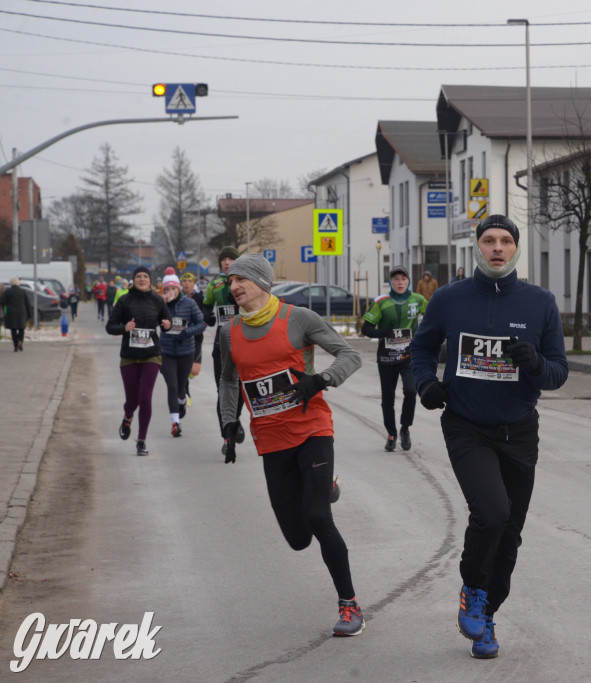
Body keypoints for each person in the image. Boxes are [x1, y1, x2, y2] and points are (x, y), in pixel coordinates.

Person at [410, 214, 568, 659]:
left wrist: (535, 363)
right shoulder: (448, 298)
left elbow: (559, 371)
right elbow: (421, 348)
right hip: (466, 426)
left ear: (515, 248)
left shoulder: (539, 302)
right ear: (477, 248)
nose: (497, 248)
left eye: (505, 241)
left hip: (519, 430)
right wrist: (426, 384)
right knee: (492, 513)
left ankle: (489, 614)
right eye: (489, 240)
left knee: (511, 531)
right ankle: (472, 588)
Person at [217, 254, 365, 636]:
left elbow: (350, 354)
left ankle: (349, 606)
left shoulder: (298, 318)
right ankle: (327, 486)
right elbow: (229, 381)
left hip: (312, 428)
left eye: (242, 280)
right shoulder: (228, 331)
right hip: (271, 439)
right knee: (298, 539)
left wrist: (321, 380)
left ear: (262, 284)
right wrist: (229, 422)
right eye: (231, 281)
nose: (234, 287)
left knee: (318, 517)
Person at [361, 265, 428, 452]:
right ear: (390, 282)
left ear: (408, 281)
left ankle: (405, 428)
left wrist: (423, 334)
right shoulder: (382, 302)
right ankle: (391, 434)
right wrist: (384, 332)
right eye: (396, 279)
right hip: (387, 357)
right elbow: (365, 329)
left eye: (403, 279)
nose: (400, 283)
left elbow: (433, 319)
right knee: (388, 398)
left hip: (409, 354)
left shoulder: (418, 299)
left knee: (410, 390)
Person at [106, 266, 172, 456]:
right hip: (129, 356)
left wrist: (166, 325)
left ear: (150, 281)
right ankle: (127, 418)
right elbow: (110, 326)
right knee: (132, 400)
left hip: (152, 354)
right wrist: (125, 328)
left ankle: (141, 440)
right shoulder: (125, 300)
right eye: (138, 276)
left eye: (145, 276)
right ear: (133, 280)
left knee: (145, 397)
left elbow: (166, 323)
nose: (142, 279)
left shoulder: (158, 300)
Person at [204, 246, 246, 455]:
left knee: (240, 390)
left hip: (243, 343)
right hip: (222, 344)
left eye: (231, 259)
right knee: (223, 391)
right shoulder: (215, 285)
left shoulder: (246, 283)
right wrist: (208, 317)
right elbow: (206, 307)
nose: (227, 262)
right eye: (224, 259)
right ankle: (226, 435)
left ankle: (235, 420)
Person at [158, 269, 205, 437]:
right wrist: (159, 305)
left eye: (173, 289)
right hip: (166, 351)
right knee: (171, 385)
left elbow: (201, 324)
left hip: (186, 351)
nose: (170, 293)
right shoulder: (160, 304)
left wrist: (186, 332)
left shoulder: (189, 303)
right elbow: (148, 320)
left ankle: (183, 399)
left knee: (181, 385)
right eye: (167, 290)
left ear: (178, 289)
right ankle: (175, 423)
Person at [181, 271, 205, 402]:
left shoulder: (199, 297)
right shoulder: (177, 297)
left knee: (194, 371)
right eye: (184, 281)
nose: (187, 284)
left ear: (194, 283)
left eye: (190, 281)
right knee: (183, 369)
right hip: (181, 337)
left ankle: (185, 378)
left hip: (196, 337)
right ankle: (185, 393)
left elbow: (204, 315)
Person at [1, 277, 32, 352]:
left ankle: (15, 346)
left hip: (11, 313)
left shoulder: (8, 292)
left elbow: (2, 302)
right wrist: (29, 314)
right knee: (21, 329)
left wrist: (5, 307)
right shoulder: (23, 291)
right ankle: (20, 341)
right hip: (22, 313)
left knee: (13, 330)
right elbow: (27, 303)